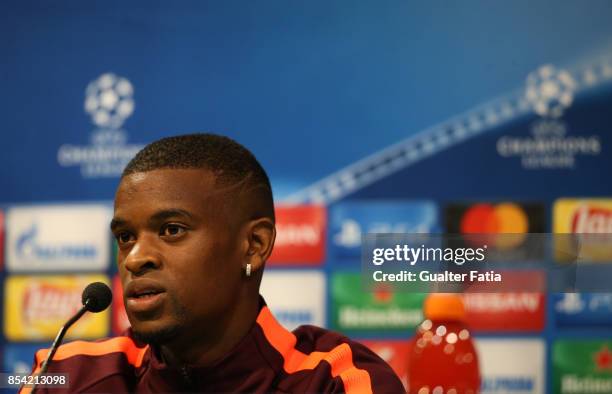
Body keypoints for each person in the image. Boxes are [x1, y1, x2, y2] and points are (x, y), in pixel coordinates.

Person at [23, 133, 405, 393]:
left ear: (254, 244)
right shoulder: (67, 376)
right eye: (126, 237)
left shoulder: (334, 379)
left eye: (171, 230)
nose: (136, 258)